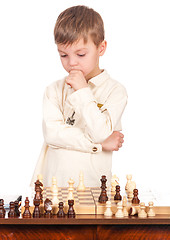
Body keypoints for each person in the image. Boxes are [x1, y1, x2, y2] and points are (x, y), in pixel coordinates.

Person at [31, 5, 127, 188]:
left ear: (101, 48)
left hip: (92, 187)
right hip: (52, 187)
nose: (72, 62)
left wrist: (83, 91)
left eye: (81, 54)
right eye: (63, 55)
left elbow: (100, 132)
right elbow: (52, 135)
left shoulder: (116, 91)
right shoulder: (53, 90)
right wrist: (99, 145)